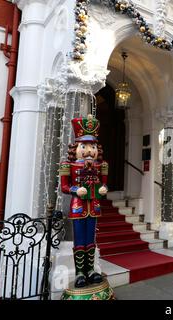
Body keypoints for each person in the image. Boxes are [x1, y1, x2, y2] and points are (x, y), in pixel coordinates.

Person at [59, 114, 108, 288]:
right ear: (76, 147)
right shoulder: (68, 166)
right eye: (84, 146)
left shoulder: (100, 166)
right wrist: (74, 189)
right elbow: (64, 187)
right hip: (78, 206)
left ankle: (91, 270)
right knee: (79, 239)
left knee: (91, 239)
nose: (89, 150)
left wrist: (103, 189)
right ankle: (80, 272)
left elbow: (104, 184)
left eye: (92, 146)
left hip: (93, 206)